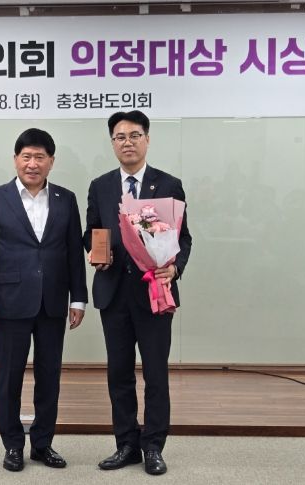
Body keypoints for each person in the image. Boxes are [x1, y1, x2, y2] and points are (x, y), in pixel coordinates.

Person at [84, 111, 192, 476]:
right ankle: (126, 444)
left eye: (134, 135)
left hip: (154, 291)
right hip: (114, 293)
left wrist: (174, 268)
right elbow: (91, 232)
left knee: (156, 374)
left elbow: (184, 238)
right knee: (119, 374)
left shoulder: (169, 184)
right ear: (112, 143)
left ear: (147, 139)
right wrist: (97, 253)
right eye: (120, 137)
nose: (127, 142)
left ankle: (153, 446)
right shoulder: (100, 186)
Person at [0, 128, 88, 472]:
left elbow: (73, 254)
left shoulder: (66, 199)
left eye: (40, 157)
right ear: (15, 160)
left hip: (53, 302)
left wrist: (78, 299)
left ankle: (42, 444)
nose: (32, 164)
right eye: (26, 157)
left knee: (49, 376)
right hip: (10, 302)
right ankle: (12, 444)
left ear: (51, 161)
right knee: (9, 378)